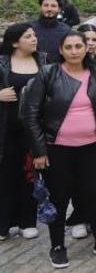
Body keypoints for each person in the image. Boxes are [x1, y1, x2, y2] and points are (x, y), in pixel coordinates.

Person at [20, 31, 96, 268]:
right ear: (61, 50)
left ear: (86, 48)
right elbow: (30, 114)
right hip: (57, 149)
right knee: (59, 198)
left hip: (91, 147)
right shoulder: (48, 73)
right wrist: (39, 151)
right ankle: (57, 246)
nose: (74, 51)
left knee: (94, 195)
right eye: (69, 47)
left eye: (78, 46)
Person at [0, 24, 44, 241]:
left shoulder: (42, 61)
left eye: (34, 35)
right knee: (5, 176)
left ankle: (28, 221)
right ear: (15, 42)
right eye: (28, 36)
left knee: (30, 175)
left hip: (34, 129)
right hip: (6, 130)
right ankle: (4, 224)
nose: (34, 39)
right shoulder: (2, 62)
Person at [31, 0, 71, 64]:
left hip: (57, 69)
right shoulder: (29, 28)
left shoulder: (66, 30)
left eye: (53, 6)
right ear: (40, 7)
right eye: (46, 5)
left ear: (59, 9)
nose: (49, 9)